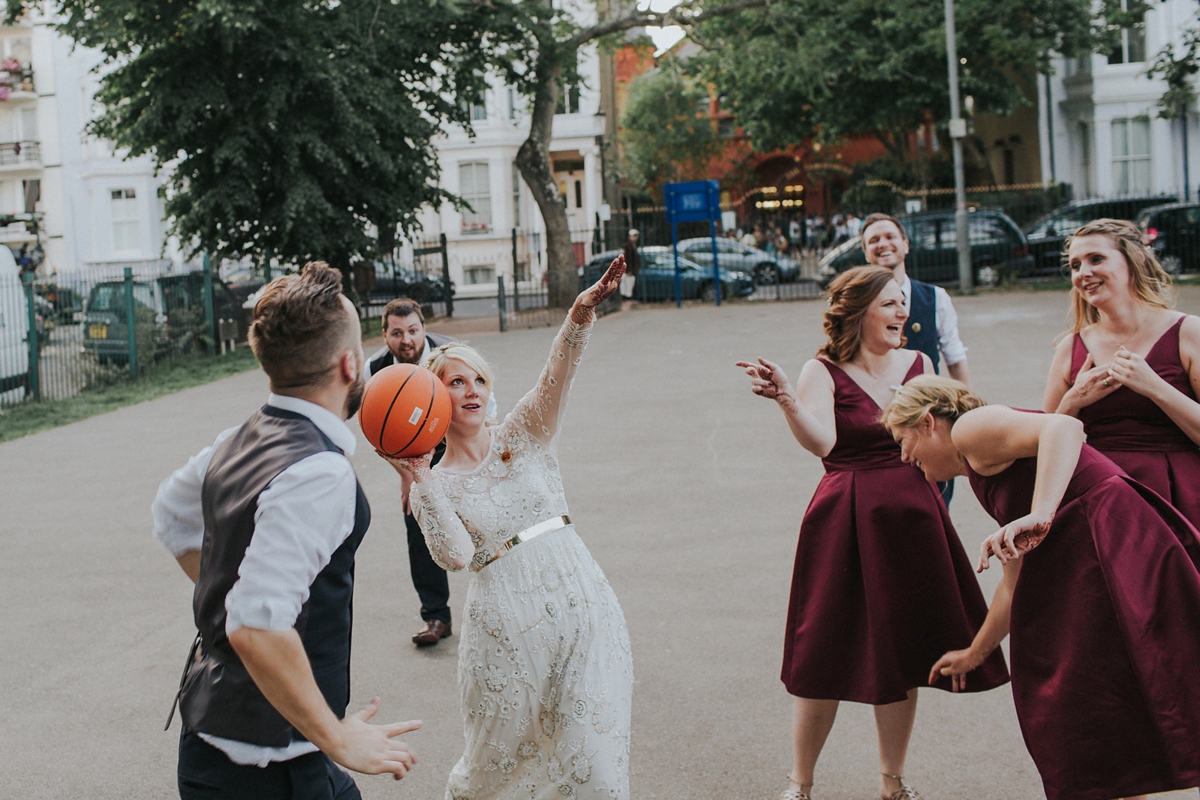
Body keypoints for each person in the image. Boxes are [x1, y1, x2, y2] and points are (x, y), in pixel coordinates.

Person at [736, 266, 1007, 800]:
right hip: (844, 518)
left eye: (903, 303)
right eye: (890, 304)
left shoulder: (920, 363)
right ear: (859, 310)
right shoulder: (823, 369)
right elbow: (822, 443)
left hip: (914, 520)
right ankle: (800, 783)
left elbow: (958, 432)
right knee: (824, 649)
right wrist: (790, 400)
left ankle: (892, 782)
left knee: (901, 651)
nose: (903, 313)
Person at [152, 262, 420, 800]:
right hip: (272, 773)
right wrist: (338, 739)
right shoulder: (319, 473)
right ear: (350, 365)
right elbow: (256, 627)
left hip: (218, 746)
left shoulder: (237, 437)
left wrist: (231, 599)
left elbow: (171, 514)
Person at [382, 255, 634, 799]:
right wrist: (419, 479)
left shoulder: (522, 432)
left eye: (479, 379)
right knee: (498, 771)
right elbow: (451, 555)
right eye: (455, 382)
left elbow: (557, 375)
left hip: (582, 603)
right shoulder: (436, 483)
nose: (471, 390)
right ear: (432, 398)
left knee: (598, 771)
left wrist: (579, 314)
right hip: (506, 628)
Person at [883, 376, 1200, 800]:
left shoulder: (970, 429)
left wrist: (1041, 513)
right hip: (1092, 563)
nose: (904, 456)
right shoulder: (981, 469)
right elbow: (1013, 588)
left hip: (1115, 541)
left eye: (903, 440)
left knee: (1113, 693)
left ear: (928, 423)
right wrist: (974, 654)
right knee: (1098, 710)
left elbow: (1064, 427)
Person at [1042, 218, 1200, 527]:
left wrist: (1154, 386)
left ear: (1135, 259)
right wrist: (1073, 401)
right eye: (1075, 265)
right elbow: (1043, 443)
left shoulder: (1187, 332)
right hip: (1099, 495)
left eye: (1096, 259)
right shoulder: (1071, 347)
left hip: (1176, 495)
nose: (1083, 273)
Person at [368, 298, 496, 647]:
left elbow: (486, 406)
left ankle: (500, 601)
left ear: (424, 329)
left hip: (460, 445)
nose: (406, 339)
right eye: (397, 333)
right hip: (414, 457)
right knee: (419, 527)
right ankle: (436, 615)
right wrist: (407, 476)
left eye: (413, 330)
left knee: (487, 524)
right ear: (385, 335)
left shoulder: (450, 357)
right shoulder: (375, 370)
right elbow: (376, 433)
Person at [861, 212, 971, 505]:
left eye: (889, 237)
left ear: (905, 245)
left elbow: (955, 357)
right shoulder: (855, 305)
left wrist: (968, 413)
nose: (883, 244)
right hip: (876, 428)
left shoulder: (935, 298)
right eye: (873, 240)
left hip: (929, 427)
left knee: (934, 510)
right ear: (865, 252)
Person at [620, 229, 640, 300]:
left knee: (629, 284)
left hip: (631, 269)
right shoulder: (628, 246)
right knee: (628, 284)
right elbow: (628, 258)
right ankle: (627, 298)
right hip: (629, 270)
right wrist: (628, 270)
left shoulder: (633, 245)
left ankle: (628, 297)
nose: (635, 238)